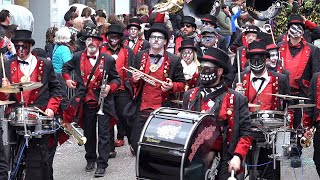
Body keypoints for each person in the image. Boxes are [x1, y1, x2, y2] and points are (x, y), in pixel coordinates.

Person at [0, 29, 62, 179]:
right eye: (18, 46)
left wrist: (51, 108)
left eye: (24, 47)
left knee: (38, 160)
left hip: (39, 116)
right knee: (12, 158)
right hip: (15, 117)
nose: (21, 50)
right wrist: (4, 87)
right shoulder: (7, 65)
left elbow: (56, 89)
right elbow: (4, 96)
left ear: (30, 46)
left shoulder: (44, 64)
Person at [182, 47, 252, 179]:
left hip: (225, 156)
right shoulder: (189, 95)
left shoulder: (236, 99)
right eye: (201, 68)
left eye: (207, 69)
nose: (203, 72)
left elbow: (246, 134)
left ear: (220, 71)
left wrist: (237, 156)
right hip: (193, 157)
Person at [62, 27, 120, 177]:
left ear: (100, 43)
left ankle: (102, 164)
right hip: (85, 100)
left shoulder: (107, 59)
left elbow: (116, 79)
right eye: (88, 40)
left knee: (104, 133)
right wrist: (68, 79)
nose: (91, 42)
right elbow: (65, 68)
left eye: (94, 40)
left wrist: (109, 87)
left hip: (103, 101)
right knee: (88, 131)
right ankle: (90, 159)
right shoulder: (77, 56)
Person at [233, 40, 290, 179]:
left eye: (260, 59)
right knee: (245, 169)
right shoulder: (240, 78)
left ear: (266, 59)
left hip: (272, 131)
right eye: (253, 59)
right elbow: (232, 106)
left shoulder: (280, 79)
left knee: (271, 171)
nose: (256, 62)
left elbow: (288, 105)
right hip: (247, 130)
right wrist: (236, 95)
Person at [129, 22, 185, 154]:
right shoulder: (139, 56)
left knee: (159, 144)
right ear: (149, 39)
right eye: (153, 37)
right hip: (142, 106)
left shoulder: (174, 60)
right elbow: (130, 80)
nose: (155, 40)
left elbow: (182, 84)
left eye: (159, 37)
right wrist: (134, 80)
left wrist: (171, 86)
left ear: (165, 41)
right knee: (136, 145)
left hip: (162, 107)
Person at [278, 14, 320, 167]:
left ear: (303, 31)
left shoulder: (313, 50)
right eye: (292, 28)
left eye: (299, 28)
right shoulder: (279, 47)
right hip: (282, 91)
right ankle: (280, 149)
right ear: (287, 31)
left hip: (303, 91)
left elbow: (316, 74)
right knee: (282, 122)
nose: (295, 31)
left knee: (300, 123)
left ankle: (297, 152)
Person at [100, 24, 135, 151]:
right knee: (107, 118)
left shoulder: (127, 51)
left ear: (120, 38)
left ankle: (132, 142)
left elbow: (131, 68)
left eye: (117, 36)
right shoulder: (101, 50)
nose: (114, 39)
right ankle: (109, 148)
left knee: (125, 116)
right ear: (107, 37)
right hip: (106, 89)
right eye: (111, 36)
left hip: (122, 89)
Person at [302, 72, 320, 177]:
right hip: (319, 124)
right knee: (318, 159)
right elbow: (310, 102)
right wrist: (307, 126)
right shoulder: (316, 77)